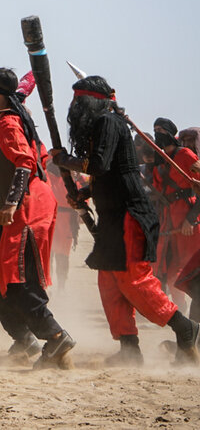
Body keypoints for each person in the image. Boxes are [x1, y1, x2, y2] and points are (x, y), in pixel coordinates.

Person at [52, 76, 200, 364]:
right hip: (113, 217)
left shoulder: (109, 122)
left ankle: (186, 329)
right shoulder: (103, 124)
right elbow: (109, 175)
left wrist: (65, 160)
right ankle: (129, 349)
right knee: (109, 282)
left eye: (77, 100)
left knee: (134, 281)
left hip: (130, 216)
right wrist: (83, 192)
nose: (73, 107)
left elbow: (98, 164)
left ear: (89, 102)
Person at [0, 68, 74, 368]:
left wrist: (11, 201)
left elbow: (24, 163)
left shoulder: (7, 121)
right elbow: (26, 86)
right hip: (26, 201)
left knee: (17, 277)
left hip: (29, 205)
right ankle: (24, 338)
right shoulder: (8, 112)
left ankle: (55, 337)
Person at [150, 117, 200, 304]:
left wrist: (192, 218)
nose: (157, 134)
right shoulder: (159, 160)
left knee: (191, 269)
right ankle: (181, 314)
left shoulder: (185, 155)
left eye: (161, 130)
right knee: (170, 271)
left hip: (187, 221)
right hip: (167, 221)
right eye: (155, 130)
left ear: (170, 132)